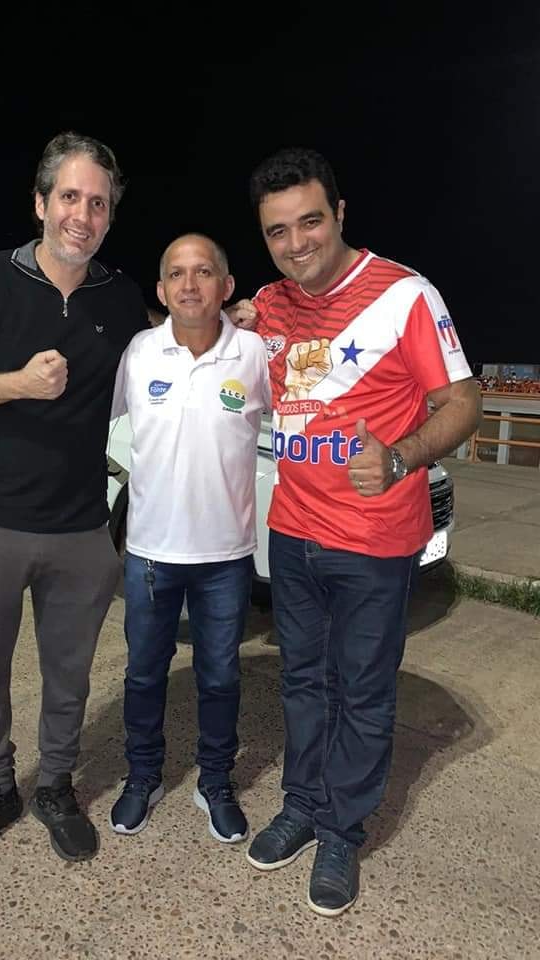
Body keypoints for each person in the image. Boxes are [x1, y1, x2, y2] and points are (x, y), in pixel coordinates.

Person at [231, 147, 481, 916]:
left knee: (363, 692)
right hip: (292, 533)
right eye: (277, 231)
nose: (296, 243)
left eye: (310, 222)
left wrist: (401, 456)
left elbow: (463, 401)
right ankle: (302, 805)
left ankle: (341, 828)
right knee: (303, 682)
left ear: (339, 214)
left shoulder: (405, 294)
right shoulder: (269, 305)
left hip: (374, 540)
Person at [0, 131, 150, 868]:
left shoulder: (121, 297)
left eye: (99, 203)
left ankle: (54, 786)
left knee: (69, 675)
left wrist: (228, 318)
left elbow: (171, 352)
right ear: (42, 203)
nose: (83, 215)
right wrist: (16, 383)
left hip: (79, 528)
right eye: (71, 197)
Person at [108, 234, 271, 844]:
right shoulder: (140, 352)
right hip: (150, 555)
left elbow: (307, 413)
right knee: (144, 674)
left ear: (226, 287)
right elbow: (89, 417)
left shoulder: (253, 353)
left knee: (220, 676)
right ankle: (142, 776)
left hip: (226, 558)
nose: (189, 284)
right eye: (176, 274)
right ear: (161, 289)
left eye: (204, 272)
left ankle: (216, 781)